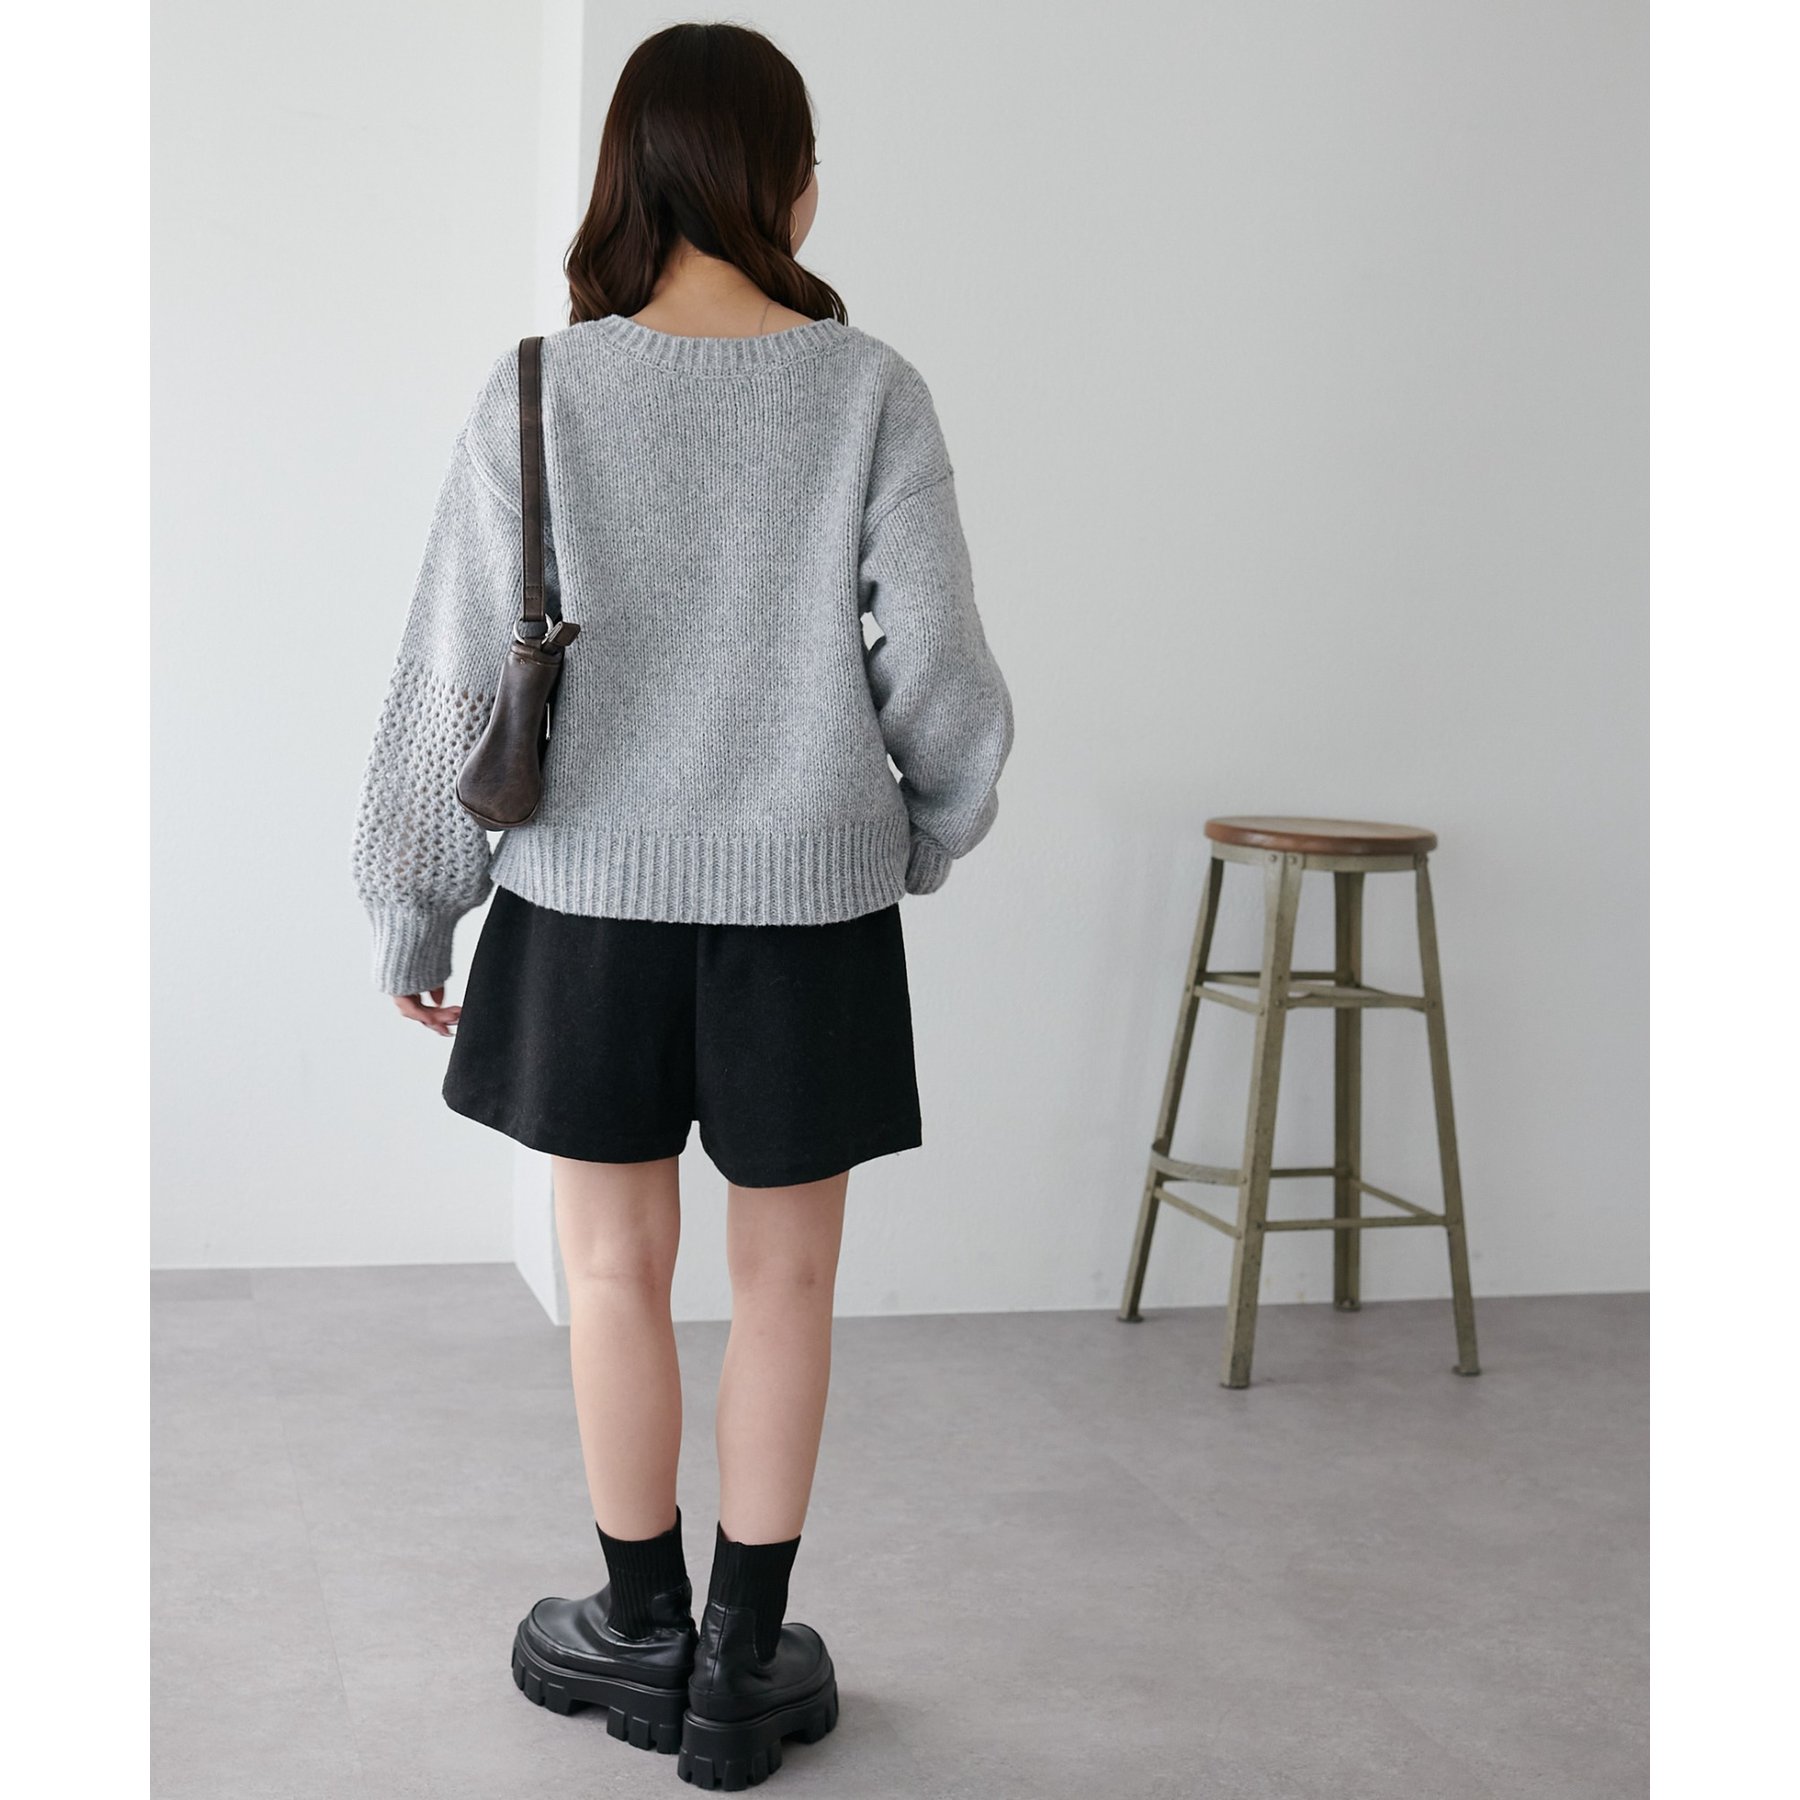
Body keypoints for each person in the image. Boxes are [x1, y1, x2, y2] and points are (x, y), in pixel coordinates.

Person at [349, 20, 1013, 1791]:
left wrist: (416, 905)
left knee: (609, 1267)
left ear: (625, 178)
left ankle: (638, 1622)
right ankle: (743, 1657)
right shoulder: (869, 387)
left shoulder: (539, 389)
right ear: (791, 185)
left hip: (585, 904)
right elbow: (942, 671)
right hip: (810, 906)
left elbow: (450, 679)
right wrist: (923, 833)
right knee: (787, 1281)